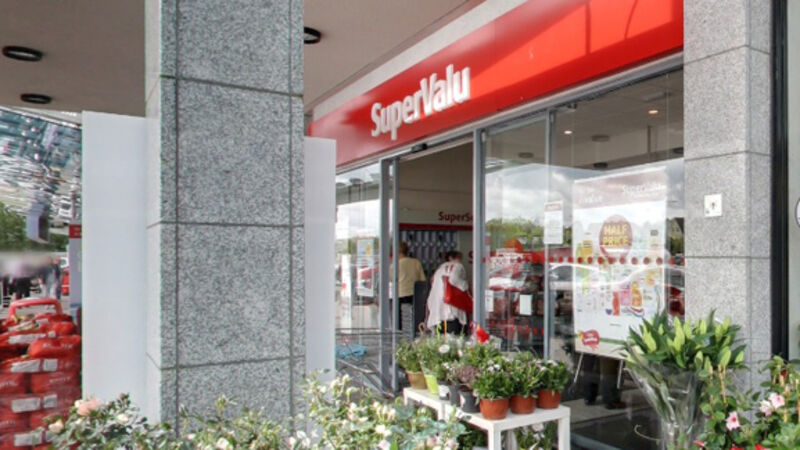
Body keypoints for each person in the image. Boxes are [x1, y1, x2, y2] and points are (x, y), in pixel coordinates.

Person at [425, 251, 469, 334]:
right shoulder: (457, 266)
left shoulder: (439, 270)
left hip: (436, 314)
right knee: (454, 338)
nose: (460, 261)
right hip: (451, 311)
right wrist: (466, 285)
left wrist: (426, 318)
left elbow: (431, 295)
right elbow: (453, 280)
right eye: (459, 258)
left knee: (440, 339)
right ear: (451, 258)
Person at [394, 242, 425, 330]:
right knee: (415, 317)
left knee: (399, 319)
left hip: (400, 293)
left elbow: (389, 280)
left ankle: (400, 334)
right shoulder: (416, 262)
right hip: (414, 294)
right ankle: (415, 332)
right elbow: (422, 279)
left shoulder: (396, 264)